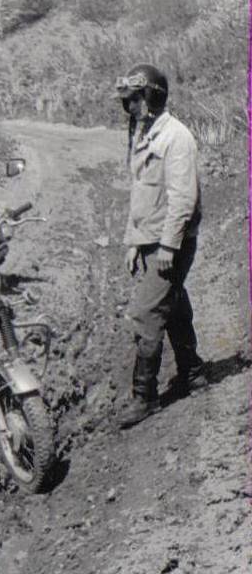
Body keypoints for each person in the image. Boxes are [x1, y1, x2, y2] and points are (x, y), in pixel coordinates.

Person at [113, 64, 206, 429]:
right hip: (152, 238)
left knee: (147, 313)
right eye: (128, 101)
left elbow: (182, 198)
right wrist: (133, 243)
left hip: (172, 241)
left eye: (135, 100)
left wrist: (168, 247)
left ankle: (145, 397)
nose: (130, 107)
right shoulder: (145, 134)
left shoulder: (176, 137)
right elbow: (141, 195)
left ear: (151, 98)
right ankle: (193, 372)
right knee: (173, 305)